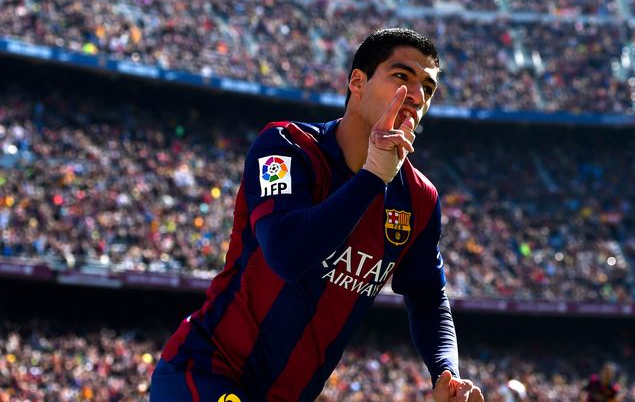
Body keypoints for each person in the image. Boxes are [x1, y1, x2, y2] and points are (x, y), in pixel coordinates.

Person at [150, 28, 484, 402]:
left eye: (428, 88)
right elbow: (287, 255)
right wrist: (373, 176)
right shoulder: (285, 147)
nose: (417, 96)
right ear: (357, 82)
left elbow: (428, 298)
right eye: (402, 77)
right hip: (207, 373)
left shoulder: (419, 199)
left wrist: (446, 372)